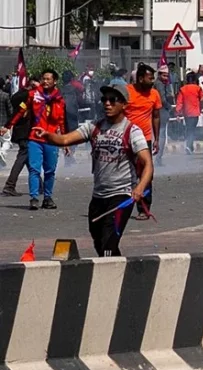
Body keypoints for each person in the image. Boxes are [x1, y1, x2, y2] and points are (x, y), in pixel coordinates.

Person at [34, 84, 153, 256]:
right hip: (99, 196)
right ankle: (120, 272)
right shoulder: (94, 127)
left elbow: (148, 163)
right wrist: (48, 136)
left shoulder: (132, 131)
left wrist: (140, 188)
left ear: (124, 104)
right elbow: (65, 139)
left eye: (113, 100)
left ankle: (109, 279)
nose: (107, 104)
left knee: (108, 245)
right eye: (104, 99)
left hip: (121, 196)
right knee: (99, 242)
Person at [23, 70, 66, 210]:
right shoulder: (33, 95)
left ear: (55, 81)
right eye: (44, 79)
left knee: (50, 171)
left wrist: (65, 141)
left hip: (52, 140)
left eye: (48, 79)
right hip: (35, 138)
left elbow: (61, 122)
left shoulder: (60, 100)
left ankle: (47, 198)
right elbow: (20, 111)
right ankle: (34, 198)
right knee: (34, 169)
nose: (45, 81)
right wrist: (7, 126)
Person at [126, 64, 162, 217]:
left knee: (146, 174)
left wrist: (156, 139)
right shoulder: (127, 92)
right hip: (126, 139)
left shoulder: (154, 94)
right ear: (140, 79)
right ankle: (123, 206)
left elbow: (156, 116)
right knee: (127, 174)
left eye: (153, 78)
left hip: (144, 140)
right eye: (150, 78)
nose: (152, 81)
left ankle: (144, 208)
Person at [1, 77, 35, 197]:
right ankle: (10, 185)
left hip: (20, 131)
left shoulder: (17, 95)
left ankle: (39, 185)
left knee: (29, 159)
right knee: (23, 157)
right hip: (26, 131)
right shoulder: (28, 96)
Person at [175, 73, 203, 154]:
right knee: (192, 129)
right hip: (195, 112)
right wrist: (200, 108)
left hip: (186, 113)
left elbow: (179, 102)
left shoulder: (183, 89)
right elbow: (202, 100)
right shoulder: (198, 88)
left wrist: (177, 113)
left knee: (189, 128)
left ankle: (189, 146)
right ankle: (189, 146)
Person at [153, 65, 175, 166]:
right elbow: (162, 99)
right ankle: (158, 157)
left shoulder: (160, 83)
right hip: (161, 111)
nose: (166, 78)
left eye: (167, 76)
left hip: (158, 111)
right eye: (164, 76)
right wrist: (169, 107)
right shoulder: (159, 84)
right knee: (161, 136)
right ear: (159, 75)